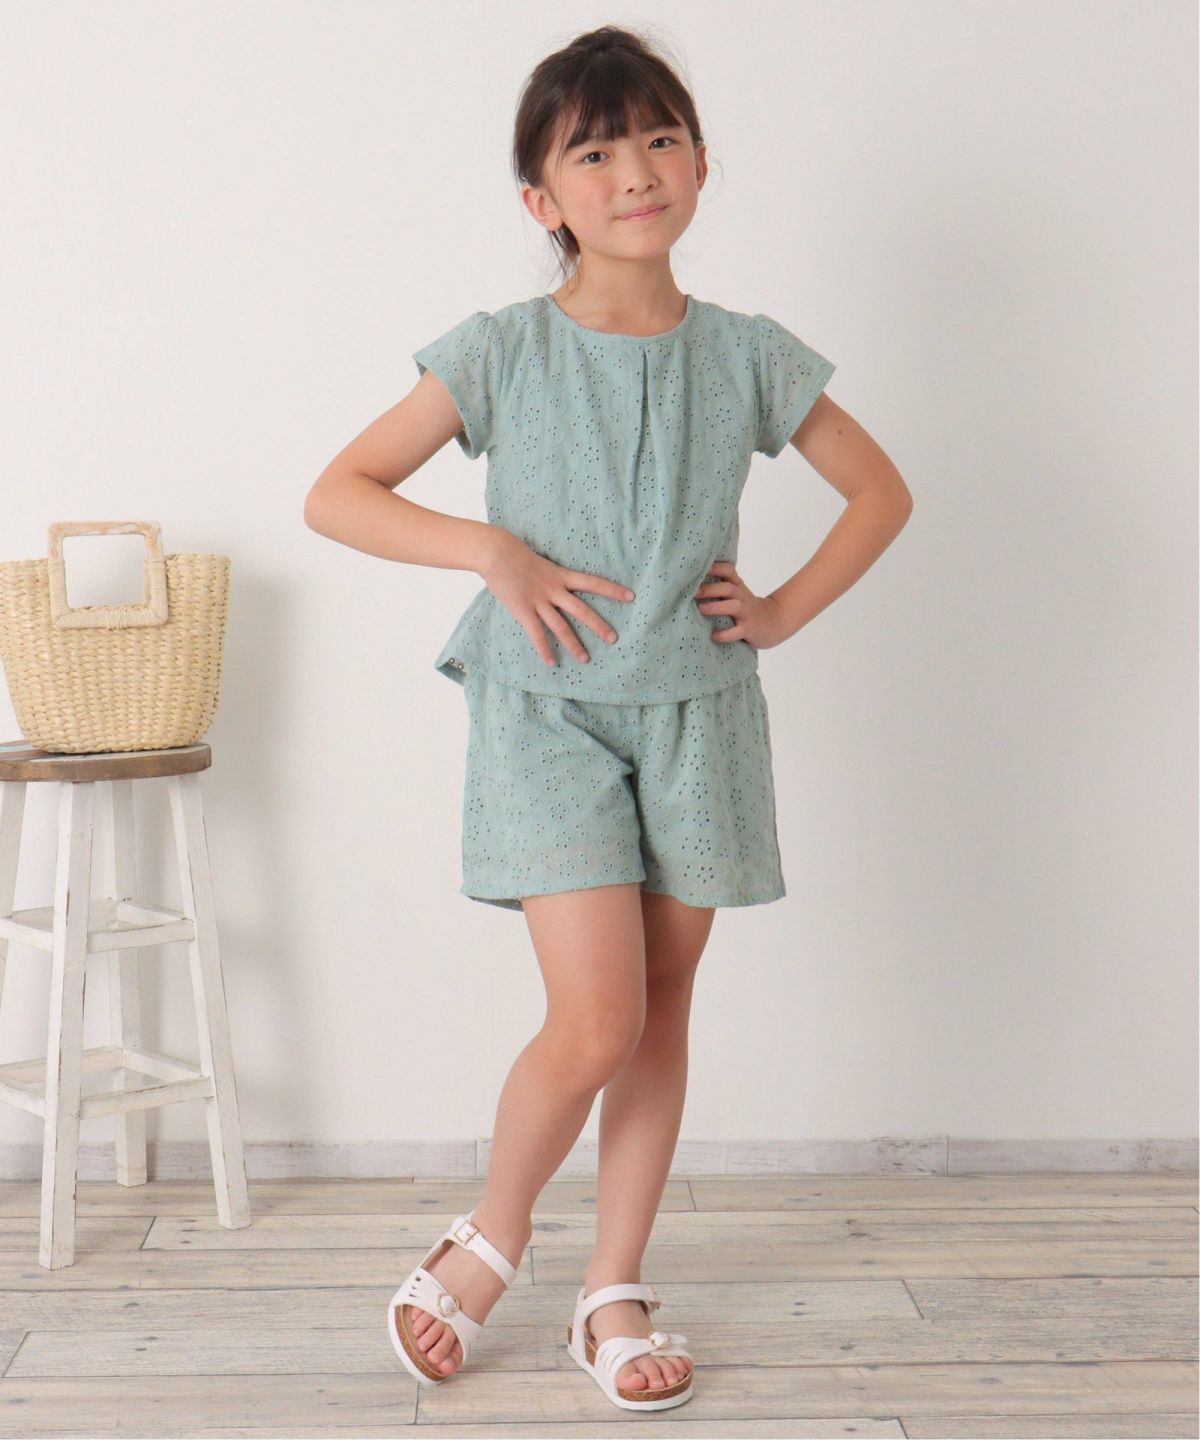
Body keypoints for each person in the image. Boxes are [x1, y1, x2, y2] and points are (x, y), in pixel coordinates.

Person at [304, 23, 912, 1414]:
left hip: (698, 711)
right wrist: (491, 554)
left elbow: (882, 492)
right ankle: (489, 1237)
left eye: (658, 139)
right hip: (547, 713)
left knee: (658, 1011)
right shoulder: (502, 350)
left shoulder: (750, 353)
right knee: (594, 1018)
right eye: (594, 152)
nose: (634, 170)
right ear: (544, 198)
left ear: (699, 162)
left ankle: (615, 1287)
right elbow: (338, 493)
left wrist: (782, 609)